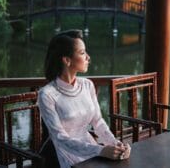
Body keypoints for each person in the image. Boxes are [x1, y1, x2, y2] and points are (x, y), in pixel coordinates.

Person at [38, 29, 130, 168]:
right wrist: (100, 150)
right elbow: (60, 138)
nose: (88, 57)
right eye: (82, 53)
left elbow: (98, 122)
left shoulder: (87, 85)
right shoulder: (47, 94)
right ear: (67, 60)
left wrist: (115, 144)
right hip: (62, 152)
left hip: (89, 145)